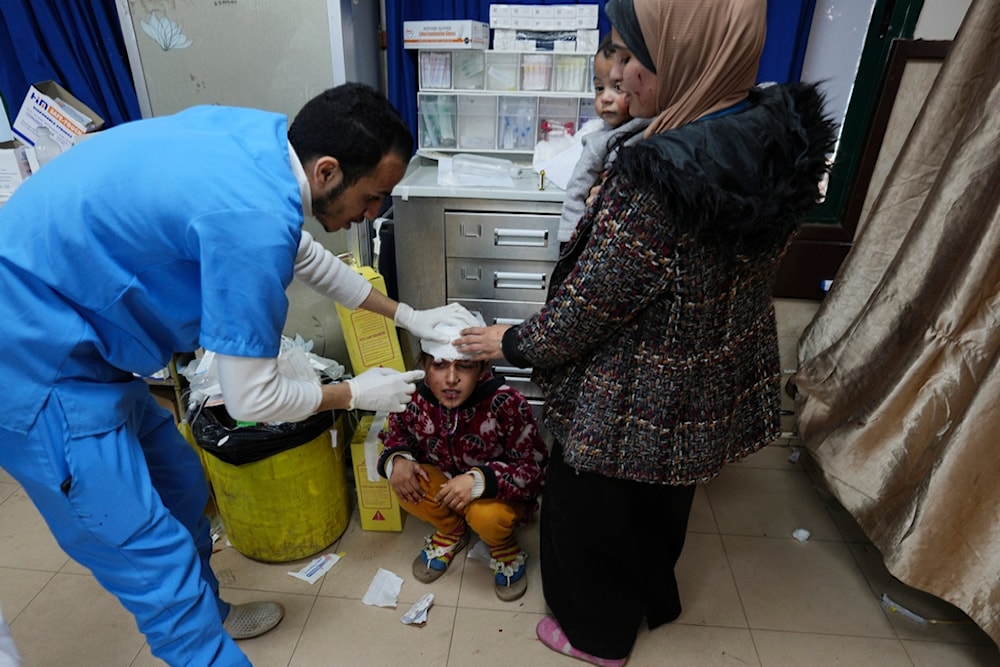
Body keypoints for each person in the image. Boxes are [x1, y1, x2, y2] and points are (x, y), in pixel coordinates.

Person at [0, 82, 474, 666]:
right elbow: (252, 397)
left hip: (80, 330)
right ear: (328, 171)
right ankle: (198, 640)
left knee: (180, 485)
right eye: (375, 197)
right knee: (152, 558)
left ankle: (214, 613)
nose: (374, 214)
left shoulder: (268, 144)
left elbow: (304, 255)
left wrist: (407, 314)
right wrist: (355, 392)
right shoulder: (251, 222)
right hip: (29, 359)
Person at [455, 0, 837, 663]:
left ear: (687, 60)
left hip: (632, 394)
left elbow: (588, 309)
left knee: (586, 513)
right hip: (702, 376)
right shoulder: (769, 136)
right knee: (662, 502)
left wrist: (512, 342)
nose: (622, 77)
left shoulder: (657, 182)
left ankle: (597, 638)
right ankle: (652, 595)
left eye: (636, 60)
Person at [377, 317, 548, 602]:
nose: (451, 378)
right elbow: (395, 437)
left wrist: (479, 481)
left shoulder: (508, 403)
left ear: (482, 367)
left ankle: (502, 544)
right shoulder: (411, 399)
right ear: (424, 367)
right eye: (439, 364)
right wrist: (397, 459)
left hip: (495, 497)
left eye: (464, 366)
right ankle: (452, 530)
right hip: (444, 485)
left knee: (488, 517)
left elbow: (535, 473)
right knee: (405, 482)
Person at [557, 35, 649, 246]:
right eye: (599, 88)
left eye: (617, 87)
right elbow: (576, 190)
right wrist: (569, 240)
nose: (605, 98)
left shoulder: (655, 123)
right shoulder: (598, 141)